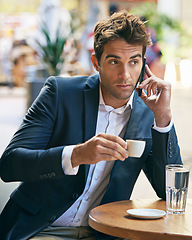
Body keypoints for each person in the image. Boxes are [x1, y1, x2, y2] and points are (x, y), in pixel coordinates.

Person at [0, 11, 182, 240]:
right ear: (96, 62)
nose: (125, 74)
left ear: (144, 63)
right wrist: (76, 155)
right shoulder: (59, 94)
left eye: (134, 62)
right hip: (40, 229)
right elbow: (10, 164)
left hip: (104, 233)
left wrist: (163, 119)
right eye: (114, 61)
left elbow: (171, 192)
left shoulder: (149, 114)